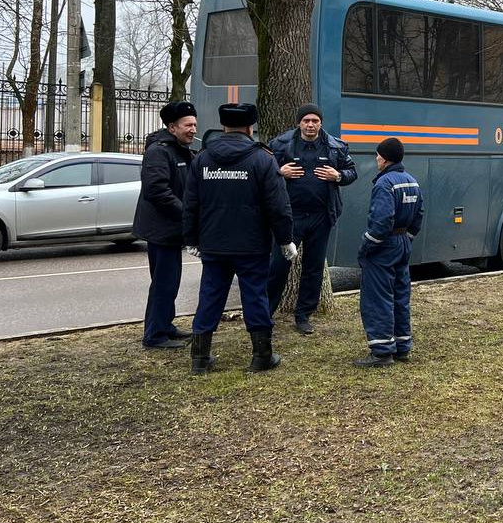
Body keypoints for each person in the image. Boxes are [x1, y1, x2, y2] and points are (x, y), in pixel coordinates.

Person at [183, 102, 296, 375]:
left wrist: (191, 239)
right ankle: (261, 356)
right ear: (249, 128)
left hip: (213, 244)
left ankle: (200, 358)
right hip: (251, 244)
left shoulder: (203, 159)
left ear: (224, 127)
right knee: (255, 296)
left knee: (209, 296)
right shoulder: (263, 159)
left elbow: (190, 204)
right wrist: (285, 240)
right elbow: (278, 207)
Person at [267, 104, 357, 335]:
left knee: (313, 268)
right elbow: (263, 173)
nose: (310, 124)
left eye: (315, 121)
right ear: (299, 122)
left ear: (320, 123)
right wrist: (279, 172)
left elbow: (351, 173)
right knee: (278, 267)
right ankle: (265, 314)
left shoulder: (335, 146)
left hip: (321, 216)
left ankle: (303, 316)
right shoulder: (280, 144)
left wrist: (338, 176)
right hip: (290, 218)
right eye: (306, 120)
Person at [133, 101, 199, 349]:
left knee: (169, 282)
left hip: (171, 230)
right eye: (187, 125)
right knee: (164, 282)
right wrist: (187, 215)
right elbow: (157, 191)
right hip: (161, 230)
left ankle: (165, 325)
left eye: (194, 124)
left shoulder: (180, 149)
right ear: (172, 127)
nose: (193, 129)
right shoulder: (159, 152)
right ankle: (155, 335)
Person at [354, 137, 424, 368]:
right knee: (400, 296)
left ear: (384, 158)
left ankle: (382, 351)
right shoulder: (411, 181)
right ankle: (402, 347)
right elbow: (419, 215)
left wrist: (367, 246)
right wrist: (407, 238)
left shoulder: (385, 183)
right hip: (403, 242)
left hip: (385, 246)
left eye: (377, 155)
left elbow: (381, 222)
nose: (376, 159)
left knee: (378, 298)